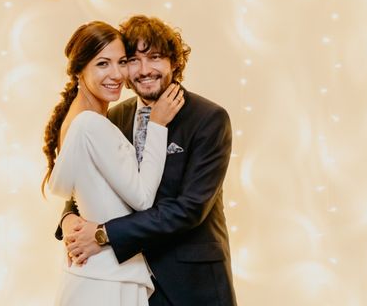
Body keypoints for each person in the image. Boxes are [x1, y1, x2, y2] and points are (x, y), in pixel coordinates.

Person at [56, 15, 237, 306]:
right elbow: (91, 179)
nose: (143, 70)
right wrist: (68, 218)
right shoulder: (115, 117)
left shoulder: (209, 119)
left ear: (174, 63)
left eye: (154, 57)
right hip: (130, 280)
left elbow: (189, 209)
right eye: (132, 59)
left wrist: (104, 235)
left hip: (190, 284)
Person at [43, 21, 185, 305]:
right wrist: (157, 124)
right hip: (107, 279)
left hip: (99, 273)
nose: (117, 74)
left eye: (122, 62)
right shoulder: (90, 124)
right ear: (79, 70)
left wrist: (70, 217)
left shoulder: (81, 120)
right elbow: (143, 199)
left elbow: (85, 189)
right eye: (103, 64)